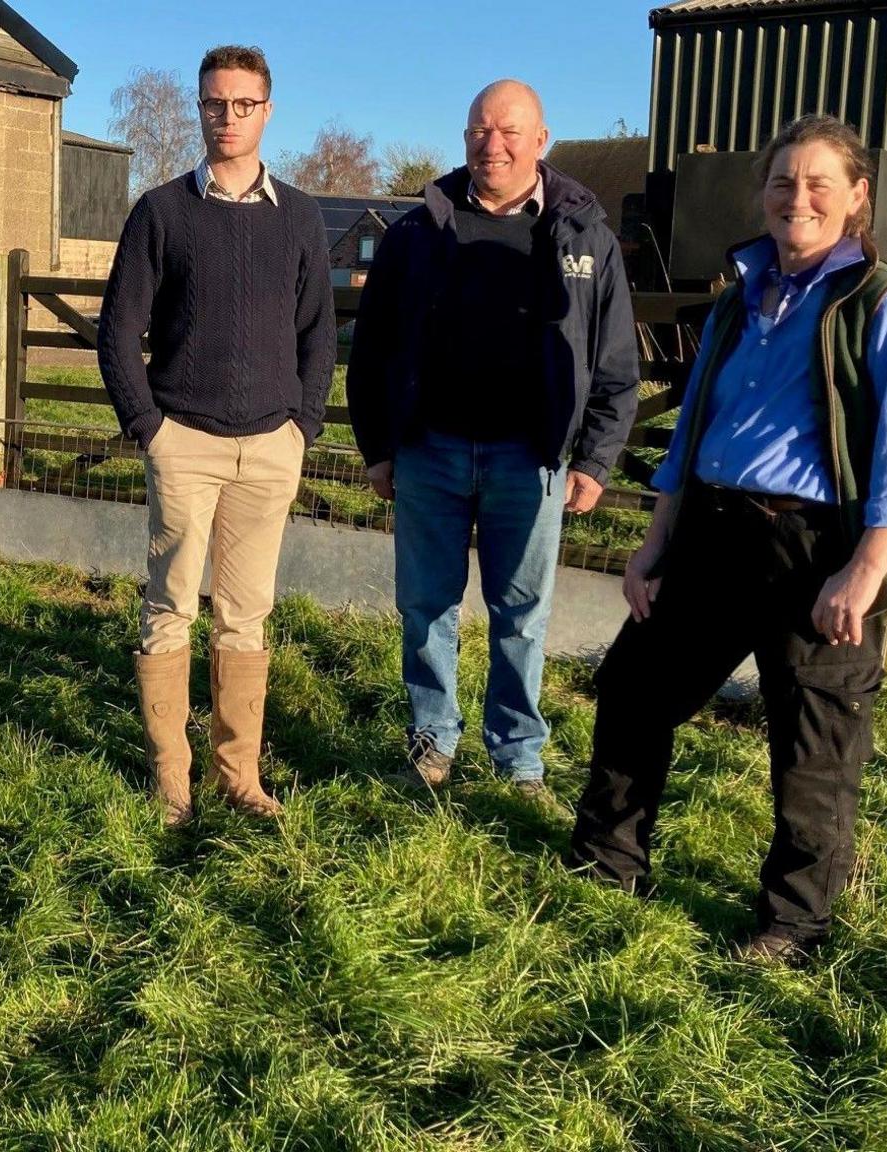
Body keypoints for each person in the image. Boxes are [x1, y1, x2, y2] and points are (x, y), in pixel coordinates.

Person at [569, 114, 887, 965]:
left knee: (813, 742)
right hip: (711, 530)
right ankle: (607, 863)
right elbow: (694, 432)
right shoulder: (738, 301)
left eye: (821, 183)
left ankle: (792, 923)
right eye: (784, 182)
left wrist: (863, 571)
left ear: (857, 197)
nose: (798, 198)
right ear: (764, 194)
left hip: (816, 550)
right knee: (635, 689)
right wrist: (654, 542)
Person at [347, 80, 638, 811]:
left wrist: (596, 458)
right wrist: (380, 448)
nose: (492, 144)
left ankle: (518, 754)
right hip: (429, 452)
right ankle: (432, 736)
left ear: (542, 141)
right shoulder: (418, 234)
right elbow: (373, 349)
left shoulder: (582, 236)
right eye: (479, 129)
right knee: (426, 605)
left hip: (529, 458)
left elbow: (614, 361)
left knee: (521, 615)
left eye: (509, 131)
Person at [97, 44, 337, 826]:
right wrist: (150, 428)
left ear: (267, 111)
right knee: (170, 605)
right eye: (213, 103)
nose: (226, 117)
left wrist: (303, 427)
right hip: (184, 442)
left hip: (270, 446)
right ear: (197, 106)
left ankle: (241, 774)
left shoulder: (299, 216)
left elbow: (319, 336)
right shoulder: (161, 212)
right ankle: (173, 776)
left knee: (246, 612)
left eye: (242, 104)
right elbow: (118, 330)